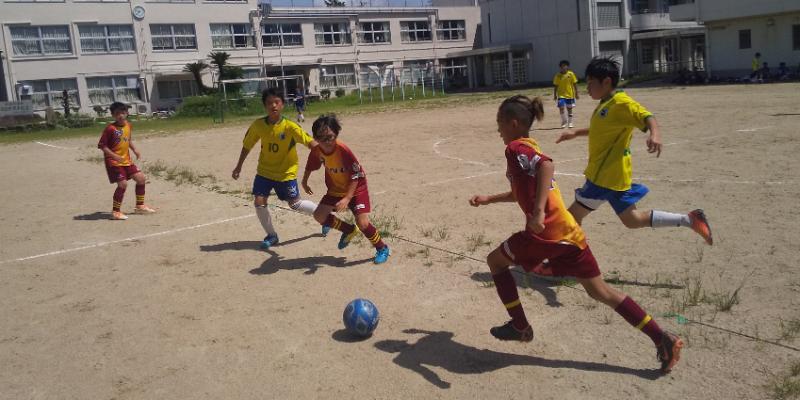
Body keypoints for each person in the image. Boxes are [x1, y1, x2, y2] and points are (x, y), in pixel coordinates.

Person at [469, 94, 683, 374]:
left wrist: (538, 213)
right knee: (600, 291)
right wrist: (489, 199)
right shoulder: (529, 145)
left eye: (499, 123)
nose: (498, 129)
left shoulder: (516, 148)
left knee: (495, 262)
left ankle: (520, 326)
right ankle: (663, 339)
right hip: (570, 233)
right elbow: (523, 191)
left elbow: (546, 165)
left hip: (546, 234)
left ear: (513, 123)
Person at [555, 57, 712, 252]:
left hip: (603, 177)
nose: (587, 88)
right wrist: (576, 133)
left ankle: (568, 259)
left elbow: (647, 117)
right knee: (633, 220)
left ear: (606, 82)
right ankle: (690, 219)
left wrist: (655, 134)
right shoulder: (607, 102)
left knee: (571, 217)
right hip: (615, 177)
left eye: (591, 83)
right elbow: (601, 129)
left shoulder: (621, 103)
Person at [231, 88, 326, 249]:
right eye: (269, 103)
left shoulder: (290, 126)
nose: (273, 105)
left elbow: (310, 142)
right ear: (265, 106)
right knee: (259, 202)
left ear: (282, 104)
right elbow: (247, 145)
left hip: (285, 174)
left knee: (295, 204)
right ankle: (272, 235)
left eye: (276, 102)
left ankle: (325, 216)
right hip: (264, 172)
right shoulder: (258, 125)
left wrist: (326, 157)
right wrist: (238, 166)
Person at [301, 114, 391, 264]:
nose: (327, 141)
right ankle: (349, 230)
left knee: (363, 223)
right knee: (319, 216)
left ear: (336, 134)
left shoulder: (343, 150)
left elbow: (356, 175)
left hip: (356, 188)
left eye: (330, 137)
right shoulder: (317, 150)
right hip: (336, 188)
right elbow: (311, 165)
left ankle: (382, 248)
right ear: (315, 138)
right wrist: (304, 181)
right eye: (322, 138)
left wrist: (347, 198)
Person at [97, 102, 156, 220]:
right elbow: (102, 146)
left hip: (126, 161)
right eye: (117, 114)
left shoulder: (128, 125)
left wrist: (135, 150)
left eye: (123, 113)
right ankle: (115, 212)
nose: (120, 116)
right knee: (123, 184)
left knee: (141, 179)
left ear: (127, 113)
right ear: (113, 115)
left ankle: (140, 206)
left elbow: (127, 139)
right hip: (114, 162)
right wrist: (114, 156)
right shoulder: (110, 129)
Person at [553, 60, 579, 128]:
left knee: (569, 109)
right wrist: (555, 95)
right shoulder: (558, 75)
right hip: (561, 95)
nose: (563, 67)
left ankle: (570, 122)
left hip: (569, 95)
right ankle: (564, 121)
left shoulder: (571, 74)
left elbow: (575, 84)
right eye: (562, 66)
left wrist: (576, 93)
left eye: (565, 65)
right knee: (561, 108)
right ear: (560, 67)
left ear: (567, 66)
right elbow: (556, 86)